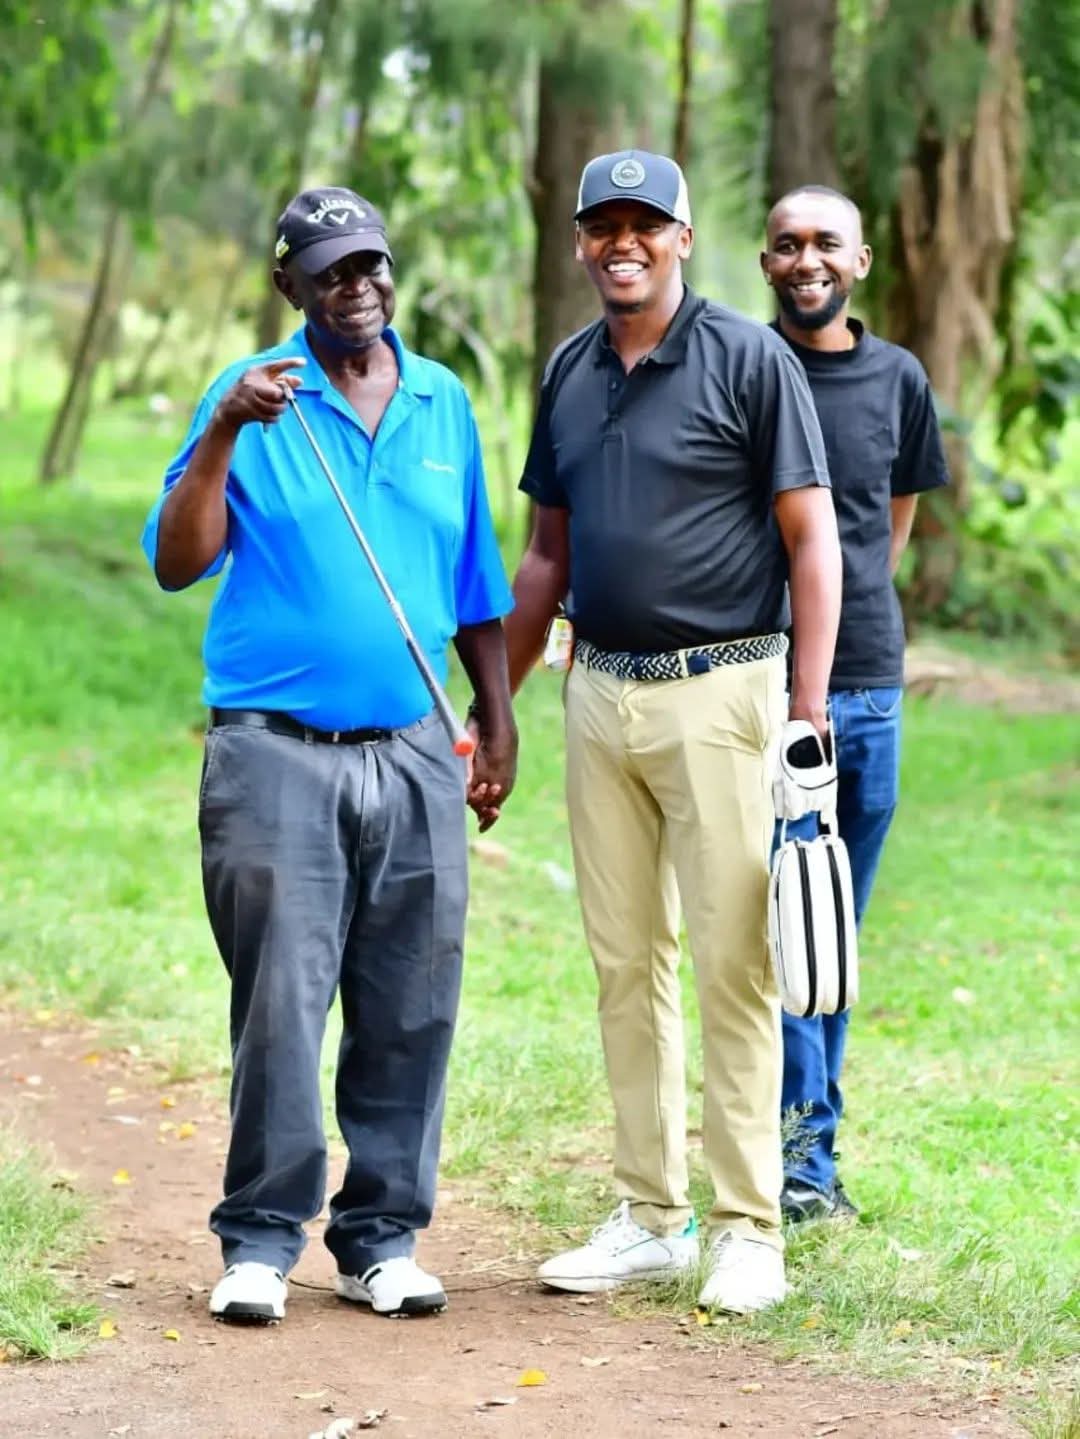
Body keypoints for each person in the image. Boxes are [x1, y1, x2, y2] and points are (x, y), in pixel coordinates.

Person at [141, 187, 517, 1324]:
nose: (356, 285)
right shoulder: (256, 394)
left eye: (370, 265)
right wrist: (222, 430)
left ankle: (379, 1237)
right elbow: (175, 557)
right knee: (282, 1004)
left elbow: (473, 580)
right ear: (289, 286)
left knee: (412, 998)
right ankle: (259, 1239)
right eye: (329, 270)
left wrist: (495, 717)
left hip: (412, 751)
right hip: (276, 754)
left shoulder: (444, 400)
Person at [503, 150, 842, 1313]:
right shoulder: (567, 369)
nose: (622, 243)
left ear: (684, 239)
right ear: (584, 241)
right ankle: (652, 1214)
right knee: (623, 961)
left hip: (725, 690)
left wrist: (807, 712)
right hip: (597, 690)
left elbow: (813, 540)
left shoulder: (749, 358)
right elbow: (546, 555)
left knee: (736, 960)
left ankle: (750, 1227)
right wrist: (490, 710)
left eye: (646, 224)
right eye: (604, 225)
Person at [760, 186, 950, 1222]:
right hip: (756, 684)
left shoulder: (898, 379)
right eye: (787, 244)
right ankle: (798, 1159)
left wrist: (844, 636)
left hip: (868, 688)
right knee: (784, 923)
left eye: (825, 242)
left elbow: (889, 526)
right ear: (763, 262)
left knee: (833, 928)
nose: (807, 259)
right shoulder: (742, 368)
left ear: (861, 260)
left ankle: (806, 1155)